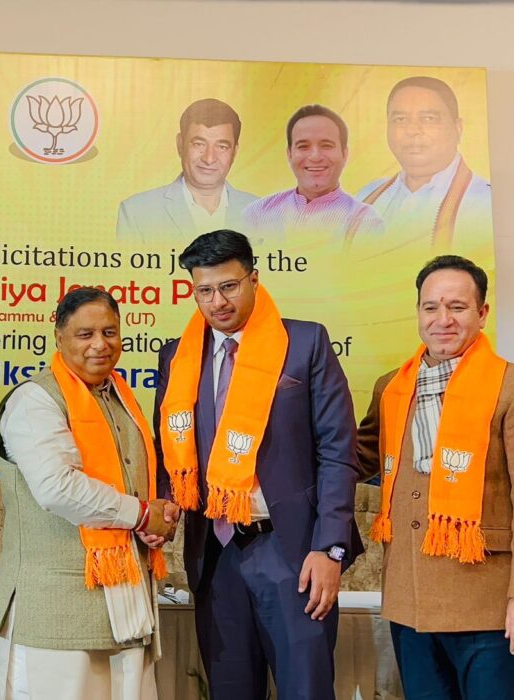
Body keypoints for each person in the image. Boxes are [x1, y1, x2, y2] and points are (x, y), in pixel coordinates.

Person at [154, 229, 362, 699]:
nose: (218, 302)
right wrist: (164, 505)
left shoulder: (305, 342)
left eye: (229, 286)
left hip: (293, 552)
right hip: (215, 554)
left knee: (305, 690)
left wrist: (330, 548)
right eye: (205, 290)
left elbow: (337, 451)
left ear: (253, 279)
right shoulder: (177, 357)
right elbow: (168, 450)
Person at [358, 254, 514, 700]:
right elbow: (356, 457)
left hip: (489, 604)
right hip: (410, 603)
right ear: (418, 312)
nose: (442, 320)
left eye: (457, 307)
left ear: (482, 313)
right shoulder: (392, 387)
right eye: (431, 307)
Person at [0, 287, 179, 700]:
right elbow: (57, 488)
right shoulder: (35, 400)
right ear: (58, 336)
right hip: (56, 615)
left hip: (125, 609)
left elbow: (133, 484)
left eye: (109, 332)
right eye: (85, 334)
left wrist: (152, 521)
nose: (100, 344)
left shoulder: (120, 398)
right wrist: (140, 514)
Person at [357, 77, 491, 255]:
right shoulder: (365, 198)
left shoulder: (486, 203)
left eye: (429, 119)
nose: (412, 130)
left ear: (458, 128)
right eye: (400, 119)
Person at [117, 98, 257, 242]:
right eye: (199, 144)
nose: (209, 158)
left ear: (234, 152)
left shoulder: (263, 214)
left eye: (222, 147)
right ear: (180, 144)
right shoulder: (136, 212)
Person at [243, 105, 382, 247]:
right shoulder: (257, 213)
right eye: (303, 146)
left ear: (344, 154)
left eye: (326, 145)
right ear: (289, 154)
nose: (315, 157)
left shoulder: (365, 222)